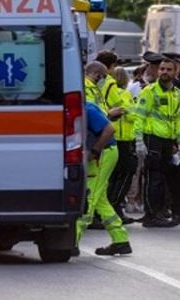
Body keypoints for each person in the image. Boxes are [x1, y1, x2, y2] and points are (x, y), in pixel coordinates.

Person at [75, 98, 133, 256]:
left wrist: (94, 151)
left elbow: (109, 129)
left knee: (89, 196)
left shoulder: (87, 108)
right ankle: (120, 240)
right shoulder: (83, 106)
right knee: (100, 200)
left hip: (103, 154)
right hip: (103, 153)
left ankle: (73, 241)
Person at [134, 57, 180, 227]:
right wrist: (139, 141)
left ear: (175, 72)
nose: (164, 72)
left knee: (167, 178)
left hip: (168, 141)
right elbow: (139, 116)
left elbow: (177, 119)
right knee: (153, 178)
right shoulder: (149, 91)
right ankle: (151, 215)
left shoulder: (177, 93)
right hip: (152, 138)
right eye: (162, 69)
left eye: (168, 69)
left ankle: (162, 212)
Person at [95, 51, 138, 225]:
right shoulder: (111, 85)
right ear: (110, 66)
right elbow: (121, 109)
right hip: (118, 137)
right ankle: (111, 208)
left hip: (106, 134)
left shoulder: (95, 83)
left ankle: (107, 211)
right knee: (123, 172)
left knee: (107, 176)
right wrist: (130, 108)